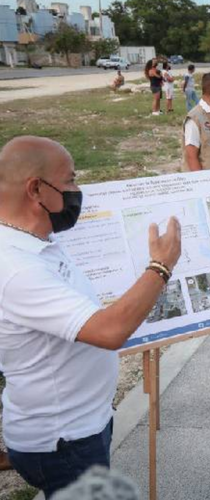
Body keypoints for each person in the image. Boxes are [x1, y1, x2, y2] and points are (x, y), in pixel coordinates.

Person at [0, 136, 181, 498]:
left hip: (83, 423)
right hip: (63, 441)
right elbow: (110, 330)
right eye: (69, 181)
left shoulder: (34, 240)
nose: (77, 190)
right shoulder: (17, 269)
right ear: (36, 189)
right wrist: (161, 265)